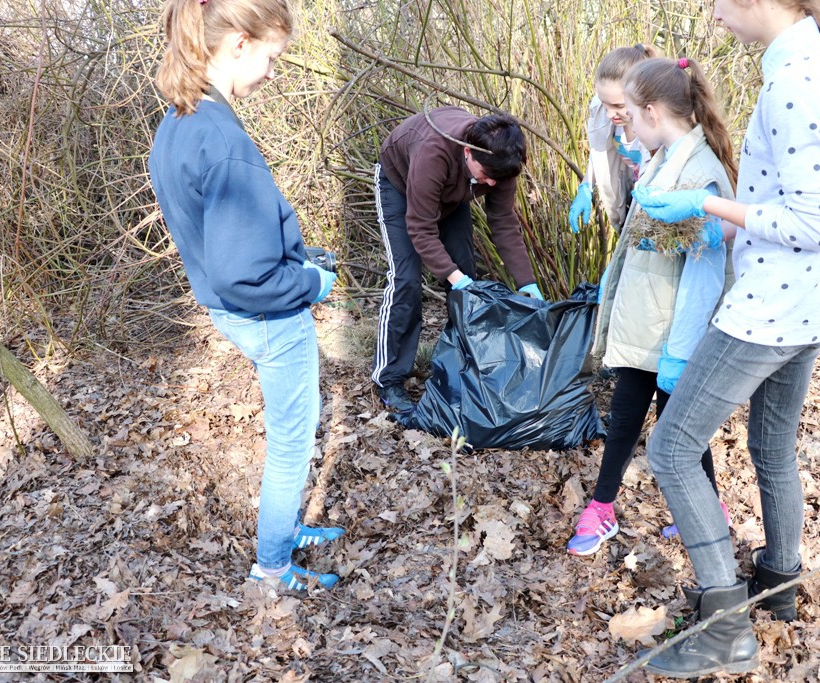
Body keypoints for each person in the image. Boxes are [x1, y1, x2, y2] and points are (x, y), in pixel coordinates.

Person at [630, 0, 820, 676]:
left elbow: (811, 222)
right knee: (771, 445)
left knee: (673, 447)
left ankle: (726, 624)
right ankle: (778, 583)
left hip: (776, 304)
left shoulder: (795, 83)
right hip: (812, 301)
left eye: (719, 2)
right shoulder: (815, 60)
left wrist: (705, 203)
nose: (712, 14)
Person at [148, 0, 345, 592]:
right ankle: (273, 567)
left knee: (290, 435)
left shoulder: (180, 121)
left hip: (227, 305)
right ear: (238, 42)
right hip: (265, 315)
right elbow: (245, 275)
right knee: (292, 442)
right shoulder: (222, 139)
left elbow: (225, 241)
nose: (273, 72)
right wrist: (312, 281)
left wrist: (294, 255)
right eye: (271, 56)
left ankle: (281, 529)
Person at [568, 57, 738, 556]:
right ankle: (603, 508)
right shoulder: (668, 155)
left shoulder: (699, 171)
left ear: (653, 111)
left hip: (669, 333)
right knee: (628, 418)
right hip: (649, 322)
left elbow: (705, 274)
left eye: (629, 114)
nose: (624, 126)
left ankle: (708, 517)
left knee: (678, 433)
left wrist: (681, 349)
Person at [372, 106, 544, 413]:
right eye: (487, 177)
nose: (491, 185)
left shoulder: (500, 160)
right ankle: (389, 378)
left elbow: (503, 222)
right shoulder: (433, 152)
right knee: (406, 280)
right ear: (468, 152)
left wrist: (527, 282)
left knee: (466, 274)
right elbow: (421, 229)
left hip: (454, 194)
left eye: (498, 180)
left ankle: (456, 366)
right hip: (399, 185)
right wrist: (454, 278)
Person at [568, 44, 657, 235]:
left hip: (651, 202)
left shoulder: (655, 130)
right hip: (629, 196)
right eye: (604, 102)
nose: (609, 113)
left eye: (618, 105)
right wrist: (586, 185)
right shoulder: (606, 113)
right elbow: (599, 152)